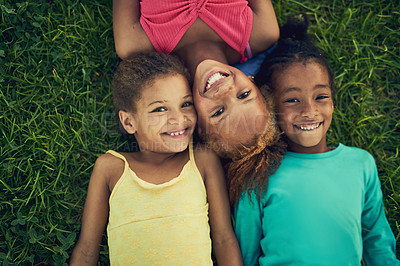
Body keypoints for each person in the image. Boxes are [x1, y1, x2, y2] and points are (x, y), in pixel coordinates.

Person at [233, 15, 400, 265]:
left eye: (321, 96)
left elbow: (377, 240)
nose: (309, 111)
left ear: (333, 101)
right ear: (269, 104)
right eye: (292, 100)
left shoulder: (360, 164)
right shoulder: (256, 174)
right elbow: (246, 254)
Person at [70, 52, 243, 265]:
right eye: (159, 109)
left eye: (186, 104)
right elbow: (87, 250)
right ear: (129, 121)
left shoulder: (201, 161)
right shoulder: (110, 168)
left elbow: (224, 239)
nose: (178, 118)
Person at [113, 0, 281, 159]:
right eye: (244, 95)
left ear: (197, 119)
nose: (225, 91)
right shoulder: (262, 32)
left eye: (218, 112)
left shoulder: (136, 44)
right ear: (251, 81)